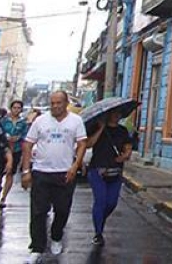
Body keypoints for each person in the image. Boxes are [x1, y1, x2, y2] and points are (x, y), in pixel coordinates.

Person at [21, 90, 87, 261]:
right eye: (52, 103)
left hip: (64, 174)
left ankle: (57, 236)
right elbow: (28, 144)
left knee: (62, 209)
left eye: (58, 103)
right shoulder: (40, 121)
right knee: (38, 212)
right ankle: (37, 247)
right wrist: (26, 171)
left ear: (66, 104)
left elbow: (82, 144)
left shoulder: (76, 121)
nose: (55, 106)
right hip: (41, 172)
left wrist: (75, 166)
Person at [84, 109, 133, 246]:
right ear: (108, 115)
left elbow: (128, 146)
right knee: (100, 200)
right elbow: (88, 144)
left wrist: (125, 155)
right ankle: (98, 233)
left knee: (111, 203)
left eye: (119, 113)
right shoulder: (97, 128)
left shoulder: (122, 130)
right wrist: (101, 129)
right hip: (97, 171)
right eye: (114, 113)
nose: (116, 115)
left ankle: (99, 219)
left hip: (115, 172)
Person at [0, 99, 28, 208]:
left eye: (19, 108)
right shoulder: (4, 121)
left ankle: (4, 198)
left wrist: (19, 138)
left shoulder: (23, 122)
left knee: (10, 173)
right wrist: (6, 137)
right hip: (3, 150)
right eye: (14, 107)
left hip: (16, 150)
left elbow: (26, 135)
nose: (16, 110)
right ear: (11, 108)